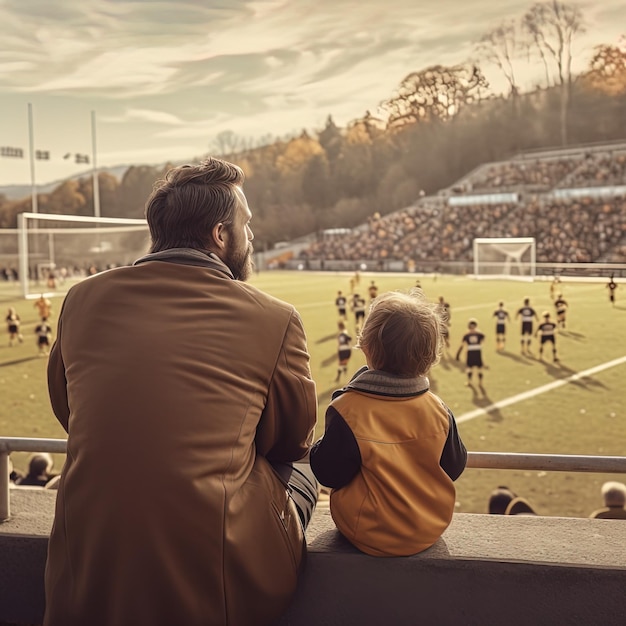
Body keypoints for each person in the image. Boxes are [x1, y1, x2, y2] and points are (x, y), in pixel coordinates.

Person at [44, 157, 318, 626]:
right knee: (303, 475)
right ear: (219, 235)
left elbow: (68, 409)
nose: (251, 237)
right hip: (217, 583)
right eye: (246, 225)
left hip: (85, 568)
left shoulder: (81, 298)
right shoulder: (274, 318)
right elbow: (292, 441)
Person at [310, 290, 467, 557]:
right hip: (428, 528)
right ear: (431, 355)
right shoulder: (438, 410)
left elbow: (329, 473)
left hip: (366, 531)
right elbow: (454, 466)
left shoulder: (348, 409)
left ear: (367, 346)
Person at [456, 318, 486, 388]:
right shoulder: (479, 334)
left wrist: (458, 355)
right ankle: (480, 382)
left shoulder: (467, 335)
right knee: (479, 368)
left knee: (469, 367)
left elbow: (462, 345)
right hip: (478, 351)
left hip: (470, 352)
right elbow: (483, 340)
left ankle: (469, 382)